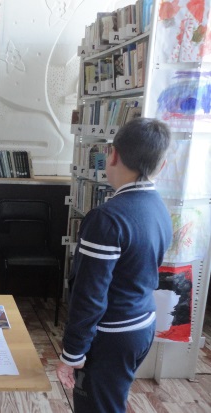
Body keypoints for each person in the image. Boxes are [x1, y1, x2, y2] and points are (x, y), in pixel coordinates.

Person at [56, 118, 173, 413]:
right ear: (161, 165)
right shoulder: (159, 207)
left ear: (113, 155)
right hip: (142, 322)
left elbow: (89, 294)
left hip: (111, 335)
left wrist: (72, 353)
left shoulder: (107, 219)